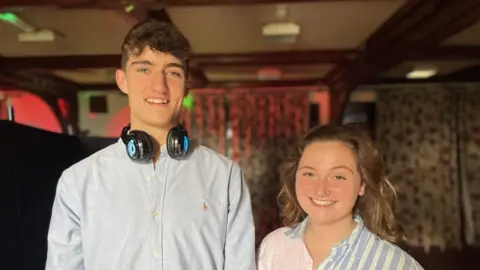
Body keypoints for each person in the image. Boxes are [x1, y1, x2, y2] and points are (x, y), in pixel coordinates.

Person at [46, 20, 255, 270]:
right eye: (144, 69)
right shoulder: (78, 182)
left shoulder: (225, 177)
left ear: (187, 85)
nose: (160, 86)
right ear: (122, 80)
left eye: (173, 72)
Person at [257, 124, 423, 270]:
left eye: (338, 177)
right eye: (309, 174)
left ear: (362, 184)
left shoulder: (394, 265)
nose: (321, 190)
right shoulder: (273, 247)